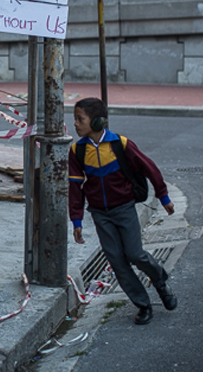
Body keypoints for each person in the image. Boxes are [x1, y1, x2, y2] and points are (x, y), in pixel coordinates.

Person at [68, 97, 178, 325]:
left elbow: (150, 168)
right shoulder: (77, 151)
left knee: (135, 254)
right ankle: (143, 304)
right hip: (100, 214)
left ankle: (159, 281)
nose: (76, 124)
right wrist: (76, 220)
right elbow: (75, 188)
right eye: (75, 119)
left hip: (124, 209)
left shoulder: (121, 144)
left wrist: (163, 195)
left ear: (97, 122)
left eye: (80, 119)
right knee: (117, 262)